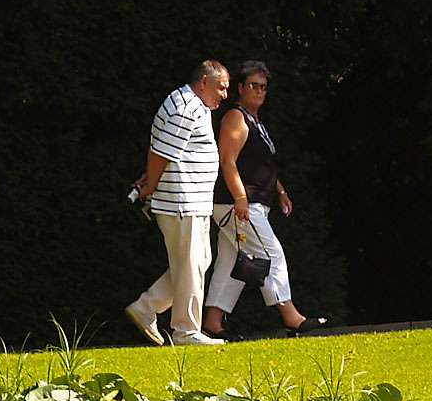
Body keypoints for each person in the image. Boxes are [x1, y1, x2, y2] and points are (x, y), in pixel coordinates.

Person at [204, 61, 326, 338]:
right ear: (240, 88)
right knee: (271, 254)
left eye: (263, 87)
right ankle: (292, 317)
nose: (259, 91)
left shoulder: (255, 121)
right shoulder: (236, 117)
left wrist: (280, 191)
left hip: (247, 202)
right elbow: (227, 160)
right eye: (253, 86)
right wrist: (240, 197)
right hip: (238, 204)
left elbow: (262, 165)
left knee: (231, 261)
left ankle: (212, 323)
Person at [125, 60, 229, 347]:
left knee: (197, 262)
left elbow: (164, 151)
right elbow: (161, 153)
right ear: (204, 82)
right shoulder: (186, 107)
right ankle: (186, 331)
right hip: (182, 201)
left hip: (190, 201)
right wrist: (151, 186)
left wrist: (151, 179)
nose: (224, 95)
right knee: (191, 265)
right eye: (221, 88)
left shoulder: (193, 104)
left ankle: (147, 307)